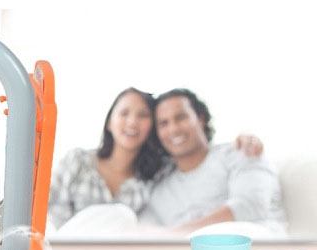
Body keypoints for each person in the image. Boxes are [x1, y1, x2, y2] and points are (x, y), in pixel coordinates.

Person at [47, 88, 263, 234]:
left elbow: (195, 154)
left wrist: (245, 139)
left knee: (126, 218)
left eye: (143, 115)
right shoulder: (78, 161)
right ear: (110, 122)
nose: (132, 122)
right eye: (124, 113)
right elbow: (48, 218)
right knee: (120, 215)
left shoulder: (157, 175)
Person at [139, 88, 287, 234]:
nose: (173, 129)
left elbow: (250, 205)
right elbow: (146, 235)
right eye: (164, 123)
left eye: (181, 117)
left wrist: (177, 234)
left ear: (201, 118)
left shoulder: (241, 152)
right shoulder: (159, 189)